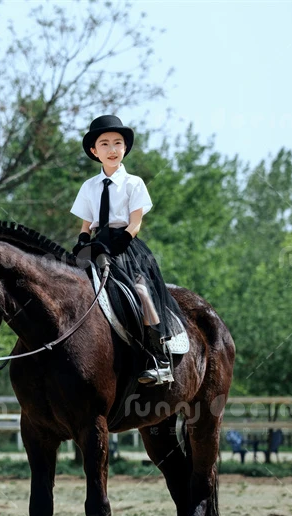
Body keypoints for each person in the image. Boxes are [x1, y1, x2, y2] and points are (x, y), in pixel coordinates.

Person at [71, 115, 185, 385]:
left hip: (126, 245)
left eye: (118, 143)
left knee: (142, 291)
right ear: (94, 151)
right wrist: (82, 240)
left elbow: (136, 223)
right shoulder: (89, 187)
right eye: (105, 144)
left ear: (125, 149)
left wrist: (119, 242)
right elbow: (86, 223)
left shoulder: (134, 183)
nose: (112, 149)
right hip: (96, 245)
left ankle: (159, 357)